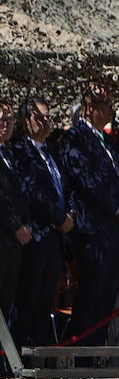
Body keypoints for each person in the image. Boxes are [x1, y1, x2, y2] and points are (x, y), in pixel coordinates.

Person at [57, 83, 119, 347]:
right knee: (91, 292)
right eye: (107, 105)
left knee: (107, 294)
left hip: (113, 230)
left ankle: (96, 350)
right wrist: (116, 207)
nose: (112, 110)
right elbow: (84, 179)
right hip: (91, 229)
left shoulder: (108, 141)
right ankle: (81, 350)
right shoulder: (73, 137)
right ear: (90, 107)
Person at [10, 100, 74, 347]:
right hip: (36, 235)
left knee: (46, 296)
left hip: (56, 239)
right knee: (28, 297)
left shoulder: (53, 152)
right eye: (41, 117)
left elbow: (66, 188)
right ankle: (19, 352)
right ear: (27, 121)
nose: (47, 122)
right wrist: (58, 218)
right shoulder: (20, 151)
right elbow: (31, 191)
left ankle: (40, 348)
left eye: (49, 117)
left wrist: (70, 214)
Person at [0, 101, 32, 360]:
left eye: (9, 119)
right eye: (1, 119)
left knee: (7, 300)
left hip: (13, 242)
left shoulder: (8, 154)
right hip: (3, 235)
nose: (6, 124)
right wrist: (15, 224)